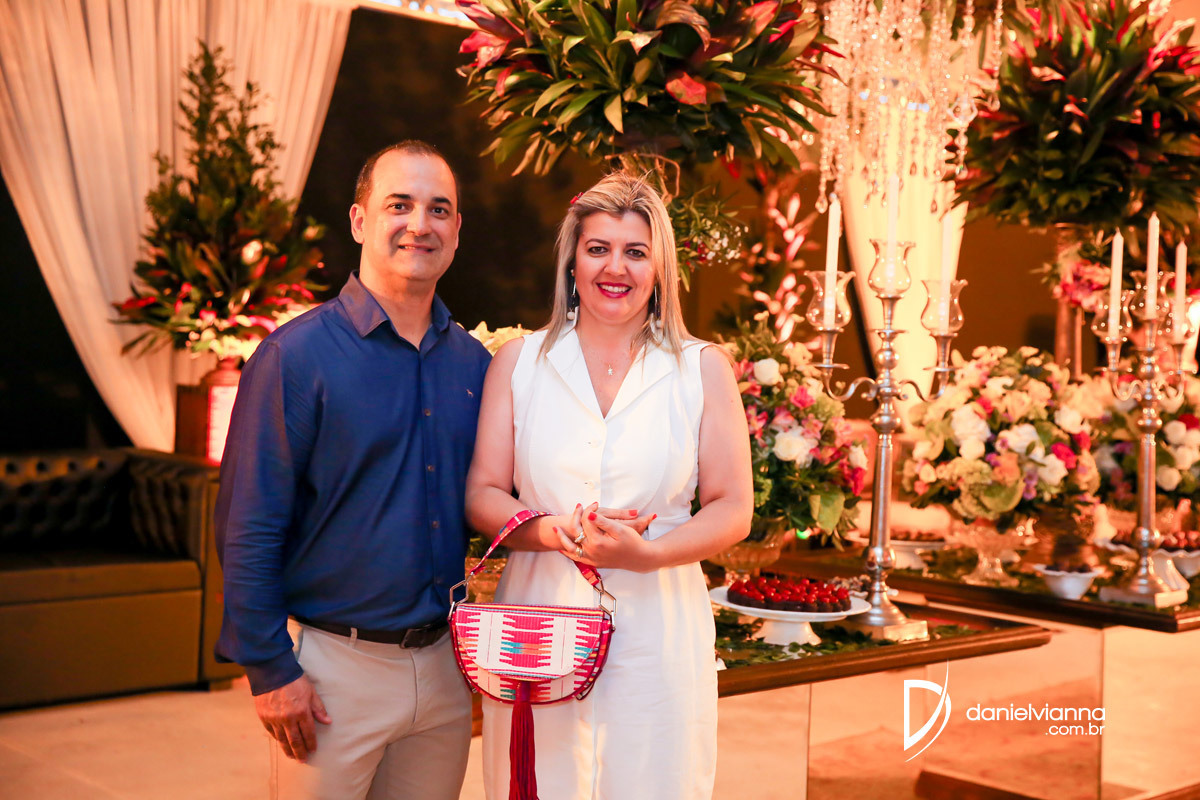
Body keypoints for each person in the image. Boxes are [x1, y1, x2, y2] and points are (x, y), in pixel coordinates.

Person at [214, 140, 491, 800]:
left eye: (439, 209)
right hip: (333, 673)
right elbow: (248, 525)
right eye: (400, 205)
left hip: (445, 670)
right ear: (360, 220)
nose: (420, 223)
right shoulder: (296, 357)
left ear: (457, 231)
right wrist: (269, 669)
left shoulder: (475, 365)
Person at [465, 171, 754, 799]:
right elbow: (482, 493)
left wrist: (648, 554)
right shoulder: (519, 363)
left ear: (660, 268)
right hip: (537, 622)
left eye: (635, 251)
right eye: (598, 248)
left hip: (659, 629)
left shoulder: (701, 369)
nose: (614, 267)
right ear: (573, 261)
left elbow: (733, 506)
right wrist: (552, 531)